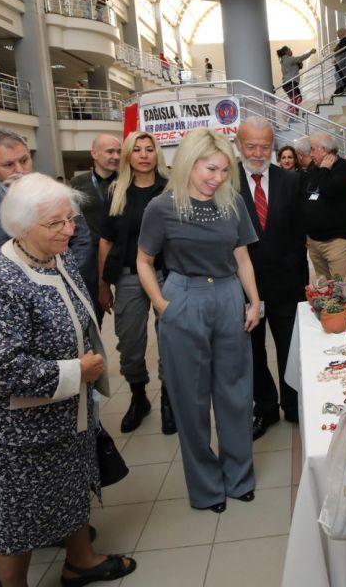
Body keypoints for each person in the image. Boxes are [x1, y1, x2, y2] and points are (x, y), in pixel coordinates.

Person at [0, 173, 135, 587]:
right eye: (56, 223)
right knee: (18, 519)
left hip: (65, 413)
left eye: (70, 219)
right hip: (18, 430)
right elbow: (1, 366)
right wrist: (77, 371)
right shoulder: (0, 282)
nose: (69, 230)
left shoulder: (53, 257)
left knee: (72, 489)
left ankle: (80, 562)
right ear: (22, 227)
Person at [137, 128, 261, 513]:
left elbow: (241, 256)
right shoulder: (162, 207)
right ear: (190, 163)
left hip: (227, 296)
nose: (218, 178)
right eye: (211, 169)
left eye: (225, 170)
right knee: (190, 400)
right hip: (184, 297)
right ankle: (207, 488)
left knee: (236, 393)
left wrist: (254, 301)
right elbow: (143, 261)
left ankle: (238, 478)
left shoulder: (232, 203)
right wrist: (161, 303)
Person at [97, 132, 174, 434]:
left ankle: (169, 398)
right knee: (129, 343)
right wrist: (103, 285)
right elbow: (105, 241)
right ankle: (139, 396)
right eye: (137, 150)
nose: (143, 155)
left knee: (169, 337)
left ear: (157, 154)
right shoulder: (117, 191)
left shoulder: (170, 190)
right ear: (129, 155)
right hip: (128, 277)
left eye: (149, 149)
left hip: (166, 274)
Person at [235, 118, 305, 439]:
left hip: (287, 285)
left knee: (291, 347)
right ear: (239, 145)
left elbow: (299, 233)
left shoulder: (290, 181)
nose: (259, 153)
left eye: (265, 146)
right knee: (252, 351)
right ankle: (264, 407)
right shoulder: (226, 183)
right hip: (243, 289)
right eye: (252, 146)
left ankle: (293, 405)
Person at [0, 129, 91, 267]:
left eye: (24, 160)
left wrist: (63, 275)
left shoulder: (57, 192)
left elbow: (81, 241)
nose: (19, 170)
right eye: (8, 165)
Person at [70, 134, 121, 324]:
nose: (115, 156)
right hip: (90, 255)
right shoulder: (78, 184)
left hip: (120, 253)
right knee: (92, 313)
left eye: (118, 152)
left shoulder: (126, 182)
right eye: (110, 151)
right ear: (94, 153)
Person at [303, 133, 346, 281]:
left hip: (337, 241)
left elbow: (329, 190)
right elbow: (306, 196)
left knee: (341, 288)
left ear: (324, 149)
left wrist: (325, 170)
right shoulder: (314, 169)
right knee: (323, 288)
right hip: (314, 241)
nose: (311, 154)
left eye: (313, 149)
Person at [333, 28, 346, 96]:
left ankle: (340, 90)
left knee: (339, 75)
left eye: (338, 34)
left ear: (341, 33)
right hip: (344, 61)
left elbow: (336, 49)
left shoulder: (344, 40)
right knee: (343, 75)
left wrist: (335, 49)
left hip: (342, 62)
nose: (338, 36)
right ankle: (344, 88)